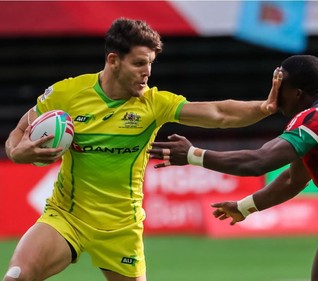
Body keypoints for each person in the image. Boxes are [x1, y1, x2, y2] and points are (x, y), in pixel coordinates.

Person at [3, 18, 281, 281]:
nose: (147, 72)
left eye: (150, 64)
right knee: (17, 276)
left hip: (122, 228)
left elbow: (219, 113)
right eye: (138, 63)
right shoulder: (67, 93)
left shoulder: (153, 104)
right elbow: (19, 130)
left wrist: (263, 108)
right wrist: (17, 152)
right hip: (67, 217)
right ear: (113, 60)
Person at [148, 55, 318, 281]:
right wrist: (244, 207)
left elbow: (258, 161)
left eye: (279, 86)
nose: (274, 93)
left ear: (297, 93)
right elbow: (293, 180)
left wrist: (193, 155)